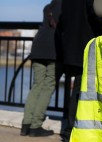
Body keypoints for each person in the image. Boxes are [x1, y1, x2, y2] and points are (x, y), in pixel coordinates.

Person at [54, 0, 102, 141]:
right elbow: (98, 16)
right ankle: (73, 130)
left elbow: (62, 23)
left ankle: (71, 129)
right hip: (86, 47)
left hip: (72, 48)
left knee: (78, 90)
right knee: (82, 91)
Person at [20, 0, 62, 137]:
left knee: (37, 85)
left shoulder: (47, 7)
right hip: (52, 48)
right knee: (48, 85)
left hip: (38, 45)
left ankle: (26, 125)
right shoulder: (66, 6)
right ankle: (35, 126)